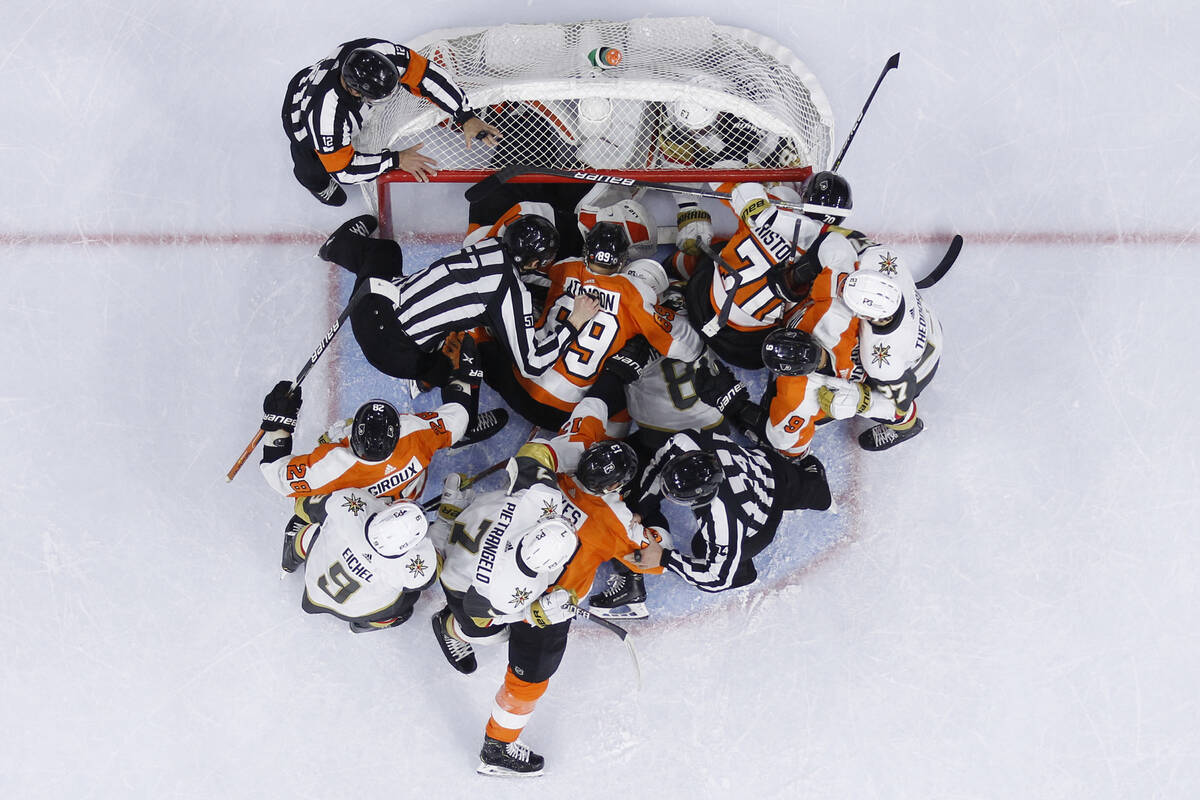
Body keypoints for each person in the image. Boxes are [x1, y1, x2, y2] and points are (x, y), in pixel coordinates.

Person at [428, 437, 655, 776]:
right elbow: (650, 557)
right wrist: (536, 613)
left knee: (476, 624)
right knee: (529, 676)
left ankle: (451, 625)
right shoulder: (507, 585)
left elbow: (536, 450)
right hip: (491, 595)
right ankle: (498, 748)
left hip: (469, 565)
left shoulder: (540, 493)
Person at [257, 336, 504, 563]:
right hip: (399, 513)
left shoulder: (330, 465)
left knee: (305, 502)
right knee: (450, 428)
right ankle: (450, 438)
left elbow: (276, 473)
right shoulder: (414, 433)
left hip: (358, 516)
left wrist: (279, 422)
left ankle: (299, 539)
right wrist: (462, 374)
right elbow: (458, 415)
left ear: (353, 439)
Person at [317, 213, 601, 386]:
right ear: (535, 261)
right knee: (459, 363)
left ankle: (337, 247)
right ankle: (461, 419)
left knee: (387, 252)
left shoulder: (489, 245)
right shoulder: (510, 292)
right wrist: (574, 321)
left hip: (368, 304)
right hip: (390, 352)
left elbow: (501, 279)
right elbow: (532, 364)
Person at [482, 222, 703, 429]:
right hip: (559, 415)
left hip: (515, 382)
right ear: (621, 261)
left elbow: (525, 279)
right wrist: (669, 309)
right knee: (631, 368)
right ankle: (592, 435)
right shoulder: (634, 293)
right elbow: (687, 348)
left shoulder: (565, 267)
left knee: (488, 319)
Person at [282, 38, 500, 205]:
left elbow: (428, 76)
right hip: (301, 117)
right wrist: (396, 159)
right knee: (309, 157)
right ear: (353, 90)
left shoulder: (382, 54)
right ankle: (312, 182)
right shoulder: (325, 119)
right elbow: (345, 170)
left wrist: (465, 115)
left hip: (326, 94)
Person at [616, 427, 832, 595]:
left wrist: (664, 558)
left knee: (702, 548)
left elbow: (717, 579)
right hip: (768, 467)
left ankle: (741, 570)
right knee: (814, 494)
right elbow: (658, 467)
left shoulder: (722, 520)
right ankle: (809, 483)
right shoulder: (684, 443)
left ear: (703, 496)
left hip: (761, 519)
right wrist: (642, 508)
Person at [783, 233, 945, 450]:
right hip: (927, 323)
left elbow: (900, 405)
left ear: (870, 316)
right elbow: (843, 238)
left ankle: (907, 428)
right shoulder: (884, 258)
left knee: (850, 395)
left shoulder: (881, 360)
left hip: (918, 366)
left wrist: (861, 401)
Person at [680, 172, 858, 369]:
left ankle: (679, 266)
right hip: (740, 348)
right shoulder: (833, 247)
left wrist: (751, 184)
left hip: (697, 297)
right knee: (803, 303)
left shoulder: (778, 200)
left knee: (719, 249)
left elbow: (719, 176)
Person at [280, 488, 438, 634]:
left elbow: (303, 506)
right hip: (355, 611)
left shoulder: (349, 505)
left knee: (314, 531)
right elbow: (432, 575)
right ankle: (363, 625)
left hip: (315, 585)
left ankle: (290, 560)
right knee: (407, 601)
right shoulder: (416, 565)